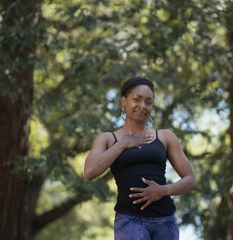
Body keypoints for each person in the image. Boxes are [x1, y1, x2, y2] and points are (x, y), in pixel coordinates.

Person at [84, 76, 197, 240]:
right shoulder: (107, 139)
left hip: (165, 221)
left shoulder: (165, 137)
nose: (142, 106)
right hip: (130, 221)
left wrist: (162, 191)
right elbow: (90, 172)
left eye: (148, 102)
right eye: (136, 99)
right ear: (124, 101)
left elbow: (191, 181)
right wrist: (122, 144)